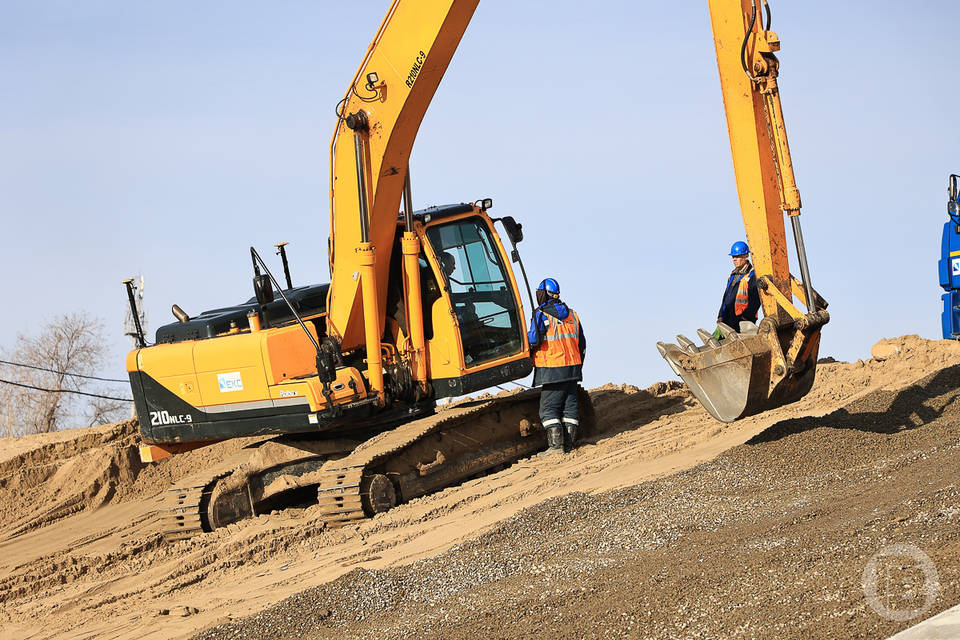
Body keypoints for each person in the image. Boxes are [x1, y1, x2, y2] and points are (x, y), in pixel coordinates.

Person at [527, 278, 586, 455]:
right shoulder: (572, 315)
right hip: (573, 368)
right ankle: (569, 444)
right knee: (570, 407)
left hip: (552, 368)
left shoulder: (541, 314)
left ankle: (556, 447)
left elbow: (533, 339)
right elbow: (582, 343)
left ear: (543, 294)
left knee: (548, 408)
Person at [717, 241, 761, 333]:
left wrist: (746, 317)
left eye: (737, 256)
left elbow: (756, 300)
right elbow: (726, 297)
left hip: (743, 321)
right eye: (733, 257)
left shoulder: (752, 275)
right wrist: (720, 315)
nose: (734, 259)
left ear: (745, 256)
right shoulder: (732, 276)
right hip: (728, 319)